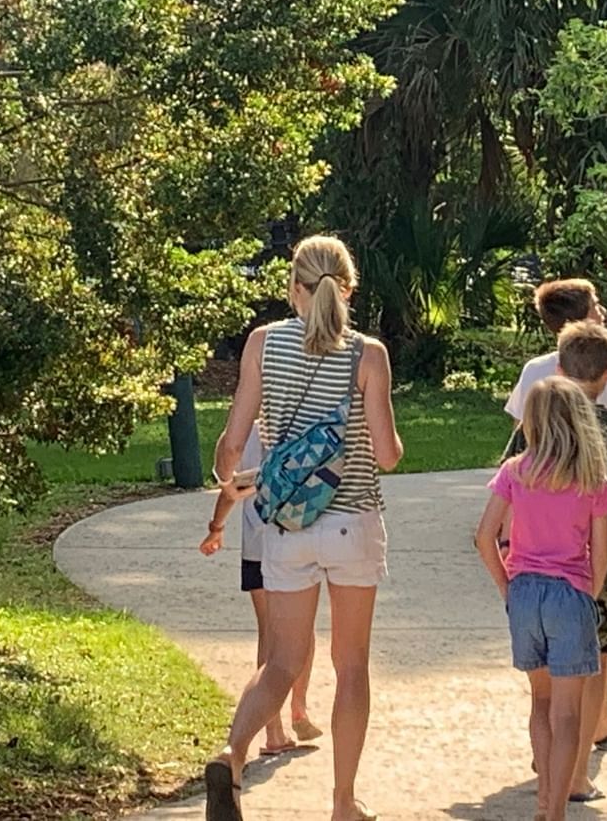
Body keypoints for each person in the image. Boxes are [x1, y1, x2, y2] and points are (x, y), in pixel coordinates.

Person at [206, 236, 404, 821]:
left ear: (293, 289)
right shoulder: (368, 355)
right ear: (348, 289)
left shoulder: (263, 345)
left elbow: (233, 444)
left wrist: (231, 480)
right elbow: (388, 455)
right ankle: (343, 803)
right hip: (351, 524)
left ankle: (231, 754)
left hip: (287, 526)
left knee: (282, 662)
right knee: (351, 664)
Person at [504, 277, 607, 751]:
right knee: (598, 644)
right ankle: (591, 733)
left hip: (534, 552)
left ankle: (549, 754)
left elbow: (518, 452)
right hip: (595, 542)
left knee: (542, 675)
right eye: (597, 305)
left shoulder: (535, 375)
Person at [474, 376, 607, 821]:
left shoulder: (515, 471)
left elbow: (483, 538)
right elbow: (603, 551)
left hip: (525, 592)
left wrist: (507, 585)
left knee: (539, 701)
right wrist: (587, 596)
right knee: (568, 713)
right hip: (569, 593)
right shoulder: (592, 478)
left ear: (531, 424)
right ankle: (556, 810)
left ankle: (541, 799)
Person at [200, 422, 322, 756]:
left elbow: (231, 487)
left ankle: (273, 730)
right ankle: (299, 705)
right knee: (303, 629)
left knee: (269, 633)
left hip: (257, 543)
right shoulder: (301, 415)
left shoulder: (246, 428)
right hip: (297, 536)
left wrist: (216, 527)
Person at [505, 279, 607, 430]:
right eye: (595, 306)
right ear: (581, 321)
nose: (603, 312)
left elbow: (522, 431)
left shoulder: (534, 370)